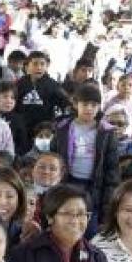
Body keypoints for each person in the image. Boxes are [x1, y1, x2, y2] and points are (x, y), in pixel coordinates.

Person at [51, 84, 120, 229]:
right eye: (85, 104)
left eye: (94, 105)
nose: (89, 108)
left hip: (94, 187)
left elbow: (112, 170)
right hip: (68, 183)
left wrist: (107, 207)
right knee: (67, 222)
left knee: (89, 226)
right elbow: (54, 157)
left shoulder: (106, 132)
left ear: (99, 107)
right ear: (76, 104)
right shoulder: (63, 128)